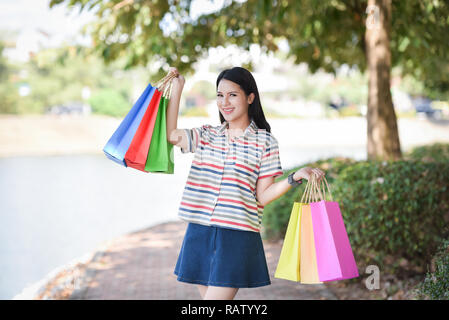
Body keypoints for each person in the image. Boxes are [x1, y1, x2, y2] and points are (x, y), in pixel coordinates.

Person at [166, 66, 325, 300]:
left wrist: (294, 178)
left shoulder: (265, 141)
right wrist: (178, 88)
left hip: (237, 235)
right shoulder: (206, 135)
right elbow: (171, 135)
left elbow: (263, 195)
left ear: (250, 97)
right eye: (220, 95)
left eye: (233, 95)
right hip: (199, 232)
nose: (225, 102)